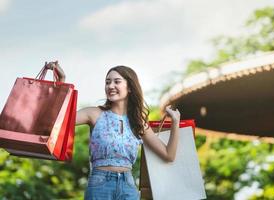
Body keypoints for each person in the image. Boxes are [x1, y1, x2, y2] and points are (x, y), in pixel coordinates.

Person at [46, 61, 181, 200]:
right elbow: (58, 120)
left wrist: (175, 122)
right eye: (107, 82)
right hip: (100, 185)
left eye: (117, 81)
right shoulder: (94, 113)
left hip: (128, 187)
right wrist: (61, 82)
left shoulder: (138, 122)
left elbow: (168, 155)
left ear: (129, 87)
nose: (110, 86)